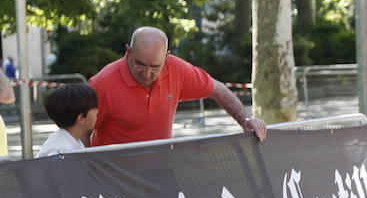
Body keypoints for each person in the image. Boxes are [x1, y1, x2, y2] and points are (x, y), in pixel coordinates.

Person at [88, 27, 267, 146]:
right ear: (128, 52)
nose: (147, 73)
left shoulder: (176, 69)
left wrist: (244, 119)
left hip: (161, 170)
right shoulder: (102, 84)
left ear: (167, 57)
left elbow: (217, 89)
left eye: (155, 66)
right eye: (140, 64)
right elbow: (82, 134)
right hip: (113, 176)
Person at [38, 83, 98, 157]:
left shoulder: (70, 141)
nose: (97, 112)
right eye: (94, 108)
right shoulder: (63, 151)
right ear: (81, 118)